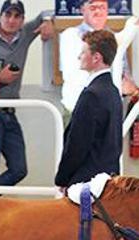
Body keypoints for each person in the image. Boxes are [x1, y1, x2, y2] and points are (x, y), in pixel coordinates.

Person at [0, 0, 54, 187]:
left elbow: (47, 11)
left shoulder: (24, 35)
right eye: (8, 15)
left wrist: (48, 21)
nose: (12, 20)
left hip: (10, 113)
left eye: (17, 16)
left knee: (19, 169)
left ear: (23, 20)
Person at [55, 30, 122, 188]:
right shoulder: (113, 92)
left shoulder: (92, 95)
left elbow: (78, 144)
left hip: (87, 184)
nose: (79, 56)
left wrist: (63, 178)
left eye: (83, 52)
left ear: (96, 57)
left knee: (81, 214)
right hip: (108, 179)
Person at [59, 0, 139, 115]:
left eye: (102, 7)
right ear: (82, 9)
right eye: (93, 7)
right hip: (78, 110)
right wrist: (130, 28)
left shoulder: (115, 39)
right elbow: (81, 71)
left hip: (110, 111)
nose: (98, 11)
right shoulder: (71, 36)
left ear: (107, 10)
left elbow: (125, 74)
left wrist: (129, 86)